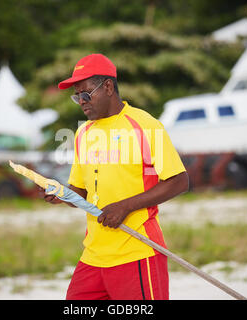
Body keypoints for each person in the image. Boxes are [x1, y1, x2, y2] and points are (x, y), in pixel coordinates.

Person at [40, 53, 189, 300]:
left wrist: (125, 206)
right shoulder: (83, 133)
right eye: (77, 97)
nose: (82, 102)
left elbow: (179, 181)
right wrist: (60, 193)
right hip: (94, 255)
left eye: (86, 94)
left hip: (137, 251)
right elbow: (81, 192)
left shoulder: (144, 125)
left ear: (108, 86)